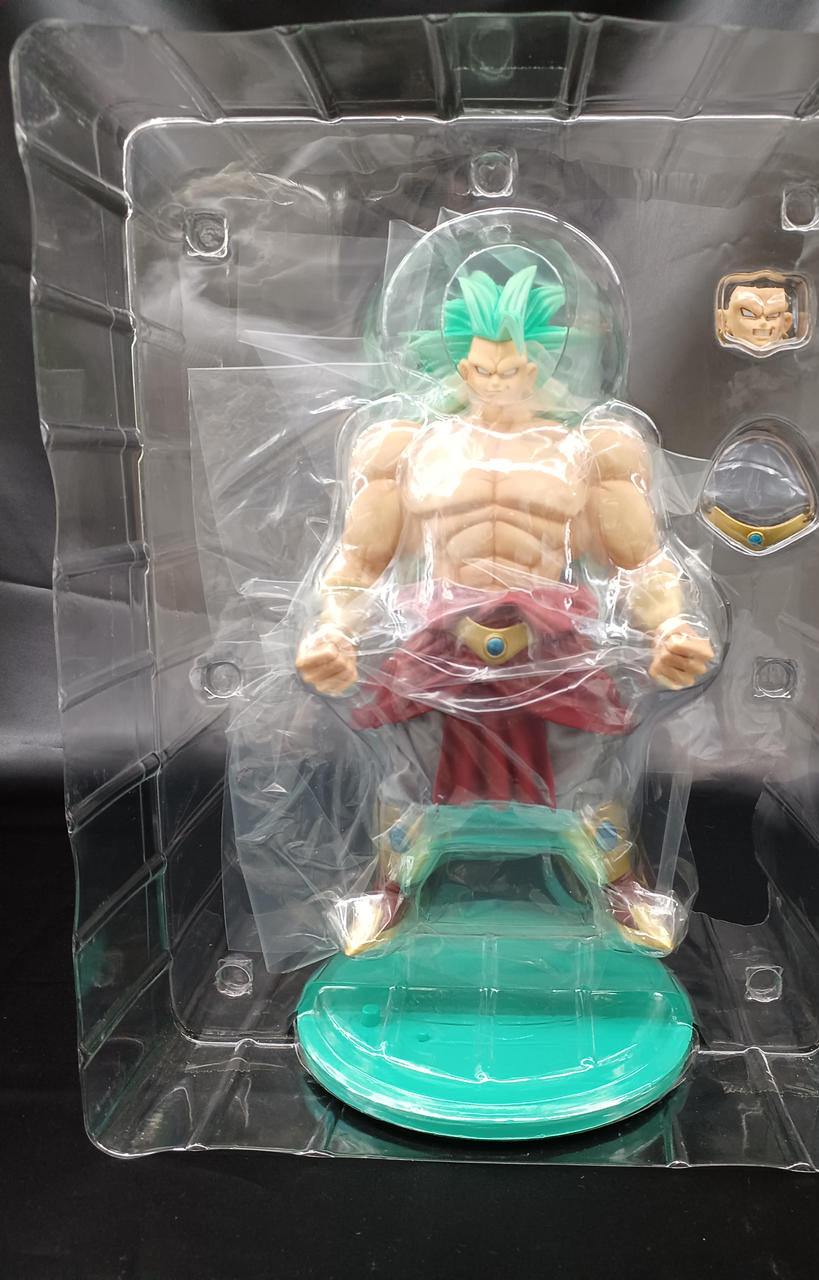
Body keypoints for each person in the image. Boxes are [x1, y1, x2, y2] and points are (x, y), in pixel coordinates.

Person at [296, 264, 714, 954]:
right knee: (408, 774)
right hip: (439, 636)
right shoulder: (405, 450)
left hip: (551, 639)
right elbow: (361, 560)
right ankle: (389, 886)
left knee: (586, 777)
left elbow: (639, 558)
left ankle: (620, 884)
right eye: (484, 368)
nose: (497, 381)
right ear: (462, 366)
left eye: (513, 367)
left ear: (538, 364)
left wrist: (670, 626)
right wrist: (333, 631)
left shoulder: (591, 451)